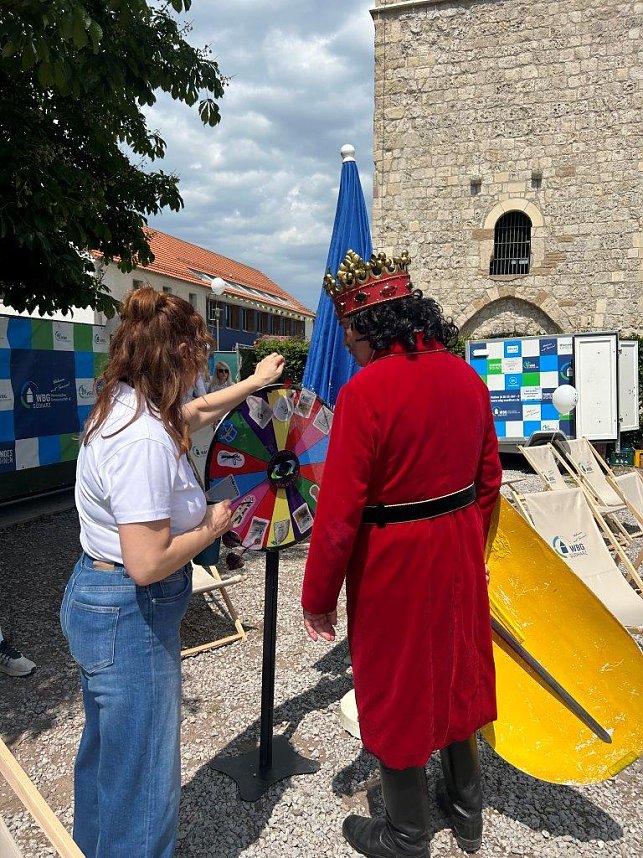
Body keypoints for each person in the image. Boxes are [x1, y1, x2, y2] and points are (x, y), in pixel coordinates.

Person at [60, 287, 284, 858]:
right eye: (199, 358)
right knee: (146, 781)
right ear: (177, 354)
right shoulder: (142, 441)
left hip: (100, 600)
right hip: (129, 612)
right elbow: (147, 562)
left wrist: (255, 383)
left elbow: (196, 414)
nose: (203, 372)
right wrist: (213, 524)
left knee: (111, 755)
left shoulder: (127, 404)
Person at [301, 250, 502, 858]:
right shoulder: (466, 376)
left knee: (395, 682)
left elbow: (338, 513)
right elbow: (489, 480)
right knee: (457, 670)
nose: (350, 347)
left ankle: (406, 833)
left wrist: (318, 596)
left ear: (368, 326)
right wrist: (472, 542)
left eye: (351, 335)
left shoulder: (367, 392)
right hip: (459, 550)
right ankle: (467, 811)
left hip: (394, 560)